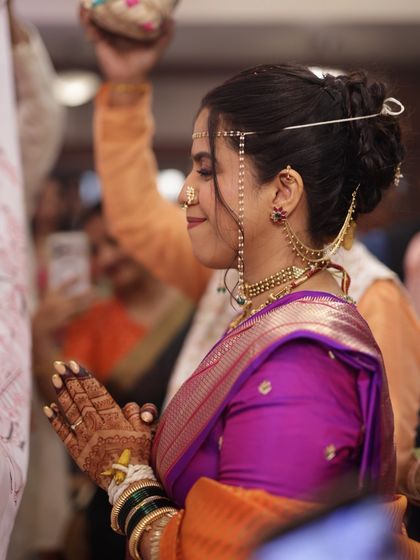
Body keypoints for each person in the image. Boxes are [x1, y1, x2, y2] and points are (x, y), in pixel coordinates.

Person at [44, 63, 420, 559]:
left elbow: (244, 550)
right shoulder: (267, 312)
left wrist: (130, 485)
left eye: (206, 169)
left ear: (282, 191)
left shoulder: (301, 357)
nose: (185, 192)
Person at [34, 203, 194, 559]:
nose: (105, 259)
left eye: (113, 242)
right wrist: (41, 340)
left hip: (195, 496)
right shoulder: (93, 320)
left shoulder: (198, 306)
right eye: (94, 250)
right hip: (118, 501)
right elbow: (71, 407)